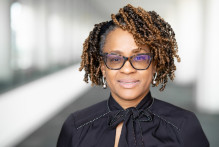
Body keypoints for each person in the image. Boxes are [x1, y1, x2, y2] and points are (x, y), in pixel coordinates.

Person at [57, 4, 209, 147]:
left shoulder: (184, 126)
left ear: (155, 65)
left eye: (140, 58)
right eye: (115, 59)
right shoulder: (76, 126)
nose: (128, 69)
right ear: (103, 67)